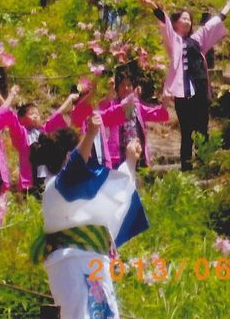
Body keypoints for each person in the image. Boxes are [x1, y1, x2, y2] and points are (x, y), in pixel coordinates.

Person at [31, 114, 149, 319]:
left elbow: (116, 195)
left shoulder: (70, 187)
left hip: (91, 262)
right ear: (69, 156)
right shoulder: (58, 186)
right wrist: (90, 135)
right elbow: (73, 168)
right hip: (72, 264)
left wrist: (130, 161)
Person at [144, 0, 230, 170]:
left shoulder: (197, 38)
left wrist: (228, 6)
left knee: (202, 128)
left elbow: (213, 24)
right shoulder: (174, 40)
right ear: (176, 22)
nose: (187, 21)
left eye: (189, 18)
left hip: (200, 89)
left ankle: (204, 164)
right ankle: (186, 167)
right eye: (183, 18)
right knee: (186, 131)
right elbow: (165, 23)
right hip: (182, 92)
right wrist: (154, 7)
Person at [99, 64, 171, 169]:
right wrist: (110, 92)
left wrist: (165, 102)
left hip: (137, 153)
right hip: (118, 156)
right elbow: (103, 112)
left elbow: (157, 114)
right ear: (117, 88)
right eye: (122, 85)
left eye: (129, 85)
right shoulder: (113, 105)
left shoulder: (137, 106)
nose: (126, 88)